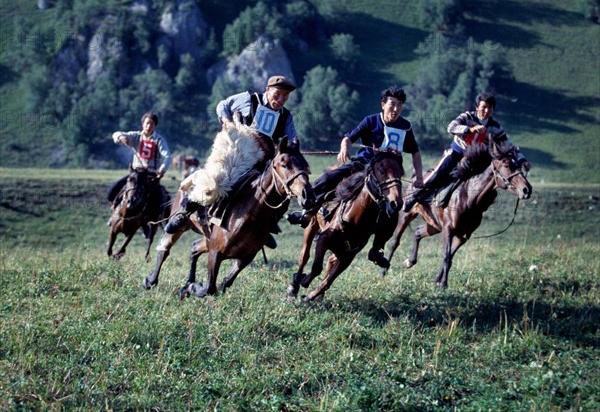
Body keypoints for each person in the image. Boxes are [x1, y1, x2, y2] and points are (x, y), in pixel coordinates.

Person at [286, 85, 424, 268]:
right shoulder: (371, 121)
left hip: (386, 176)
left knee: (393, 209)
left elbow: (415, 153)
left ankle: (377, 249)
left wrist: (420, 177)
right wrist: (344, 148)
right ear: (383, 104)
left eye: (400, 105)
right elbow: (348, 138)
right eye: (392, 104)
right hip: (362, 167)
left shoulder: (405, 127)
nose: (396, 108)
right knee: (327, 179)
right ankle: (307, 211)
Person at [163, 75, 299, 242]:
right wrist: (227, 121)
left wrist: (289, 149)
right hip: (236, 154)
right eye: (277, 94)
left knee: (279, 193)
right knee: (216, 180)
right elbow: (223, 105)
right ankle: (185, 212)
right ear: (267, 90)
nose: (281, 99)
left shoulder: (286, 116)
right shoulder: (249, 99)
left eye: (285, 96)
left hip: (262, 163)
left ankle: (266, 227)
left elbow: (292, 140)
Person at [402, 91, 531, 212]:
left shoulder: (495, 127)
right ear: (477, 107)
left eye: (490, 108)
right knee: (438, 173)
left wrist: (523, 160)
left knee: (488, 182)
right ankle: (414, 195)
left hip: (476, 160)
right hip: (457, 153)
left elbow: (509, 145)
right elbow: (451, 127)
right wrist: (469, 130)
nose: (486, 111)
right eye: (484, 107)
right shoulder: (467, 116)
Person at [107, 111, 172, 232]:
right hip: (135, 175)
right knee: (112, 192)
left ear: (155, 126)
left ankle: (147, 224)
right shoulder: (136, 136)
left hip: (151, 176)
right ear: (142, 124)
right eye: (147, 123)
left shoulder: (159, 140)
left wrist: (162, 169)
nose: (148, 126)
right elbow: (116, 134)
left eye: (151, 124)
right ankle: (115, 215)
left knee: (158, 200)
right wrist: (121, 137)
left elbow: (167, 156)